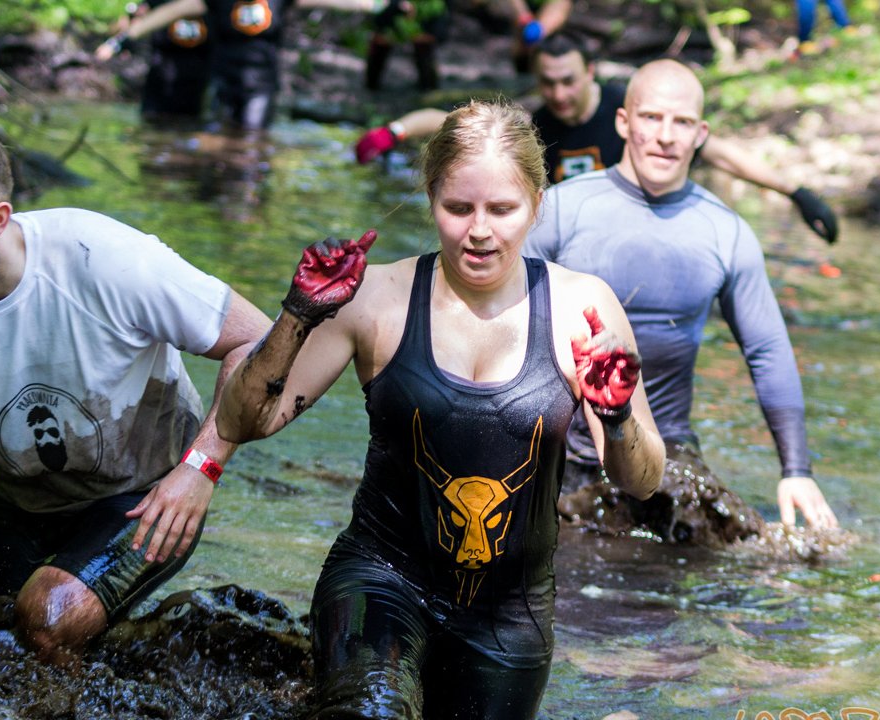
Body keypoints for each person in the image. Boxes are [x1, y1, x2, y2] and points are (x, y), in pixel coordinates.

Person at [216, 100, 665, 717]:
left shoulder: (582, 308)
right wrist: (297, 314)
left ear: (537, 203)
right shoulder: (375, 296)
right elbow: (244, 422)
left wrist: (616, 417)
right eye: (458, 208)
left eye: (502, 210)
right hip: (380, 578)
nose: (479, 230)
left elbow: (642, 481)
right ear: (431, 200)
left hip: (510, 616)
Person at [0, 122, 271, 665]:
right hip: (23, 501)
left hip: (148, 494)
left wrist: (201, 468)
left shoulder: (101, 257)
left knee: (48, 621)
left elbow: (260, 342)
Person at [525, 59, 840, 531]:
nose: (666, 136)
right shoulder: (559, 210)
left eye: (683, 122)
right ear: (623, 122)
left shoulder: (726, 232)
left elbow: (767, 350)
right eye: (651, 118)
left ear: (700, 134)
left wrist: (796, 472)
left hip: (666, 454)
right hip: (559, 451)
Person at [355, 31, 840, 244]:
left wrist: (796, 193)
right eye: (549, 83)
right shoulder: (537, 121)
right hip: (572, 242)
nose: (560, 94)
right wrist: (391, 131)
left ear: (590, 72)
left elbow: (719, 153)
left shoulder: (626, 111)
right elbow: (453, 123)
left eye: (569, 81)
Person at [96, 0, 375, 131]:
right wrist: (120, 40)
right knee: (215, 141)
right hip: (222, 81)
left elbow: (344, 1)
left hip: (260, 86)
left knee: (250, 142)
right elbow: (170, 12)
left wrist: (382, 6)